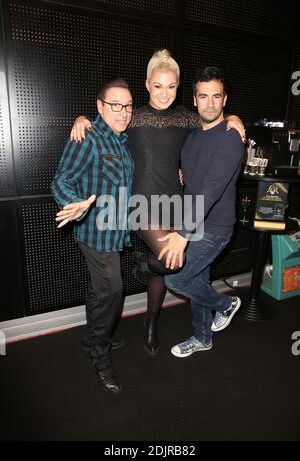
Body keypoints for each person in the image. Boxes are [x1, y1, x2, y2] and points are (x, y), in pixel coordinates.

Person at [70, 50, 245, 357]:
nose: (165, 93)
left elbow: (213, 116)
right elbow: (104, 119)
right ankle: (145, 267)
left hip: (176, 203)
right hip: (140, 204)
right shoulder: (132, 116)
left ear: (179, 89)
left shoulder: (186, 117)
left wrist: (234, 117)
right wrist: (82, 118)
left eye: (172, 86)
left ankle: (152, 321)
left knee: (165, 270)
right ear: (147, 85)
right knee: (167, 261)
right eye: (159, 86)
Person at [51, 78, 134, 393]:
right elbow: (61, 179)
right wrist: (74, 204)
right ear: (99, 106)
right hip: (95, 233)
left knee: (100, 290)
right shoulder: (87, 137)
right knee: (113, 291)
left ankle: (92, 337)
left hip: (115, 231)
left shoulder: (121, 140)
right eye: (115, 105)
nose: (123, 112)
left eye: (127, 106)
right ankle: (100, 355)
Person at [159, 66, 244, 357]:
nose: (210, 103)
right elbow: (191, 174)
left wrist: (182, 234)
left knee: (177, 279)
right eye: (203, 96)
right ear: (195, 100)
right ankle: (202, 336)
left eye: (216, 96)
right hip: (194, 221)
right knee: (199, 281)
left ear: (225, 100)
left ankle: (226, 304)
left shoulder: (231, 137)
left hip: (215, 228)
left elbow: (212, 189)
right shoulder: (193, 137)